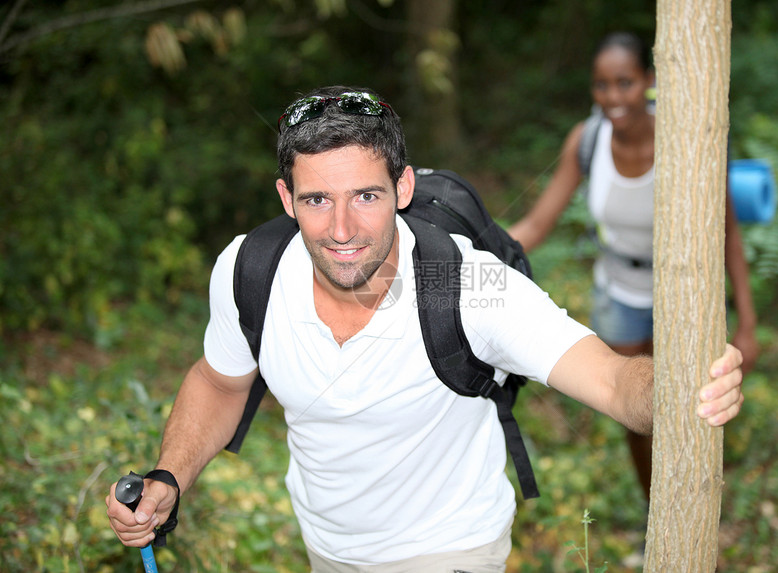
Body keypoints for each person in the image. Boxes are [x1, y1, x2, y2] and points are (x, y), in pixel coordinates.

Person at [106, 85, 745, 572]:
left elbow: (610, 380)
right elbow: (219, 384)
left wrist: (681, 386)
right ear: (285, 198)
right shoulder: (252, 269)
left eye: (366, 195)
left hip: (451, 548)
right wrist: (170, 476)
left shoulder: (463, 285)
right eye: (316, 200)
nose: (342, 230)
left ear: (404, 186)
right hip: (326, 548)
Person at [508, 32, 759, 505]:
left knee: (698, 407)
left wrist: (747, 321)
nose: (613, 97)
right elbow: (538, 223)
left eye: (624, 82)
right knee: (636, 413)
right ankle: (656, 510)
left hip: (684, 296)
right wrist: (466, 250)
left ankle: (699, 512)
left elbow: (729, 234)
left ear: (649, 80)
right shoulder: (588, 140)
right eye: (601, 85)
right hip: (618, 293)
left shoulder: (688, 140)